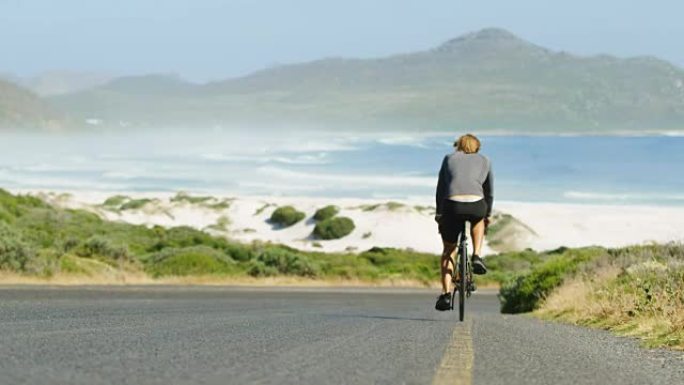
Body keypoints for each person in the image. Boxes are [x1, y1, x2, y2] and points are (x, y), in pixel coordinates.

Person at [434, 133, 493, 311]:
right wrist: (487, 214)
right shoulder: (485, 160)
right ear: (477, 147)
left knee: (448, 250)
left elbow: (441, 188)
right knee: (479, 220)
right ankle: (476, 255)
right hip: (476, 204)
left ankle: (445, 295)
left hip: (451, 206)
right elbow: (489, 192)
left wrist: (439, 213)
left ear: (458, 145)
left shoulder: (448, 158)